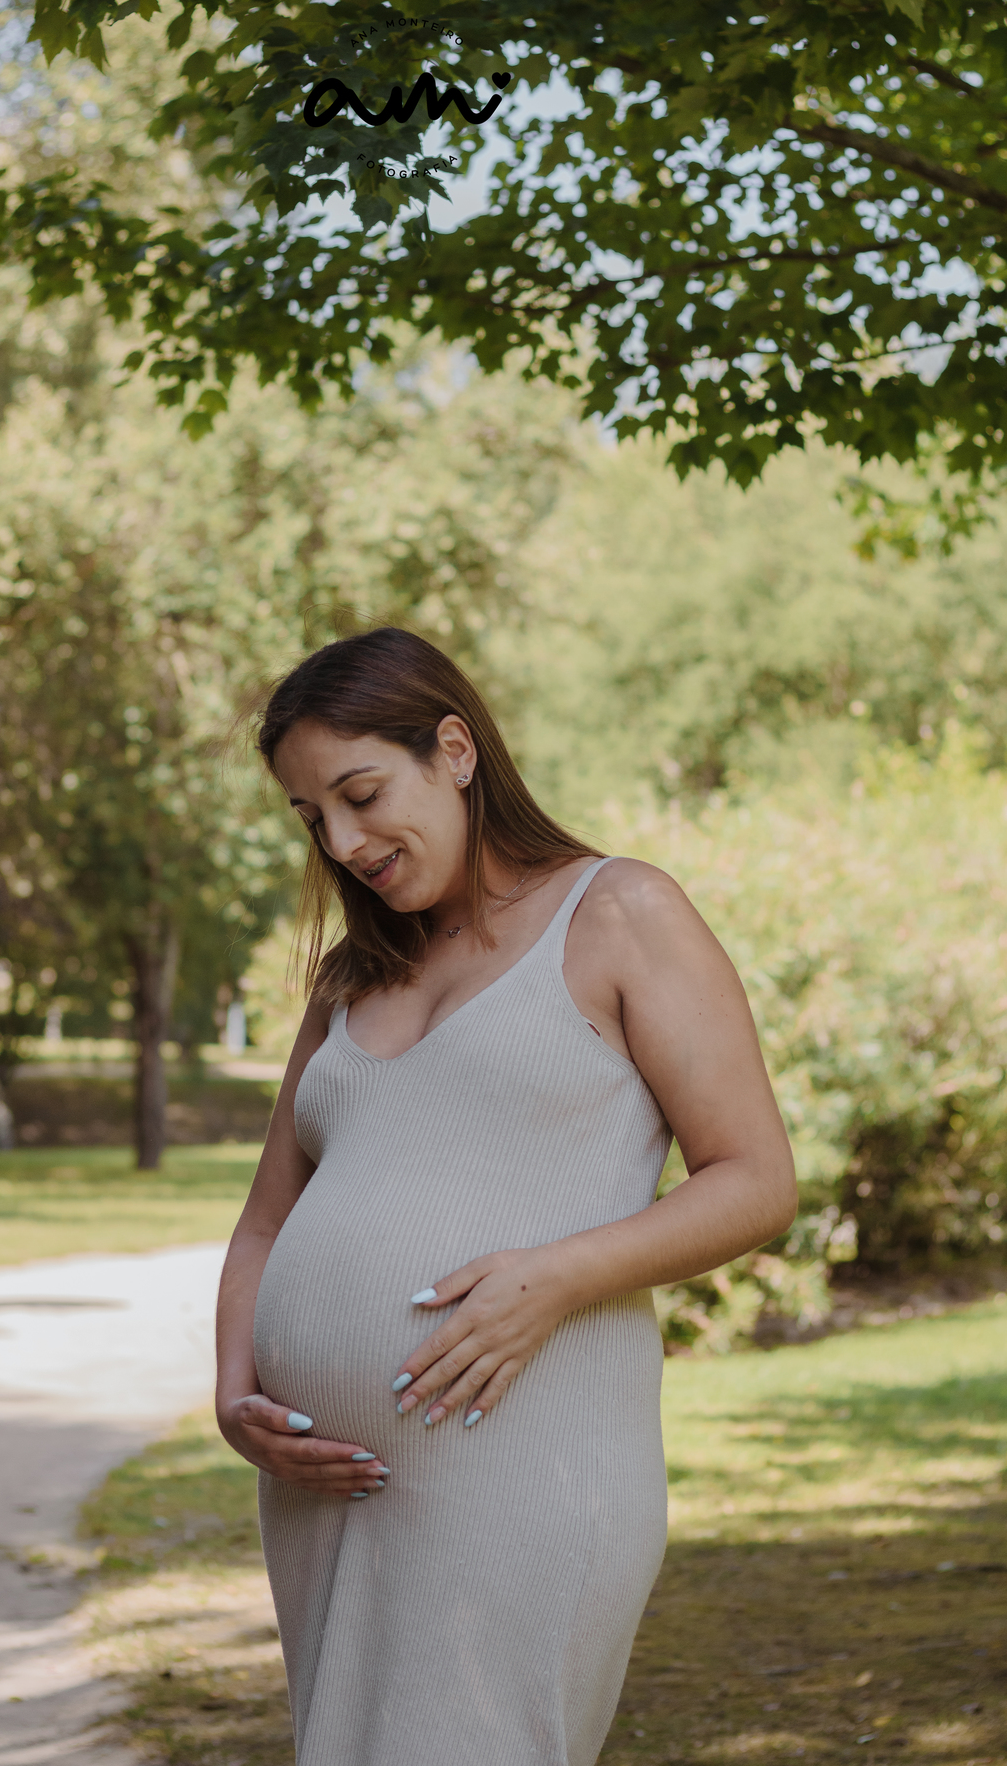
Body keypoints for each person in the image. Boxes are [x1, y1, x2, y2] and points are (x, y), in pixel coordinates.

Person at [215, 628, 797, 1766]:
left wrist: (555, 1277)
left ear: (455, 749)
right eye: (312, 817)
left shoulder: (619, 912)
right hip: (324, 1493)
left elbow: (755, 1179)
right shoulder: (352, 977)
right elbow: (267, 1222)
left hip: (523, 1464)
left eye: (361, 795)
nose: (343, 842)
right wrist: (239, 1392)